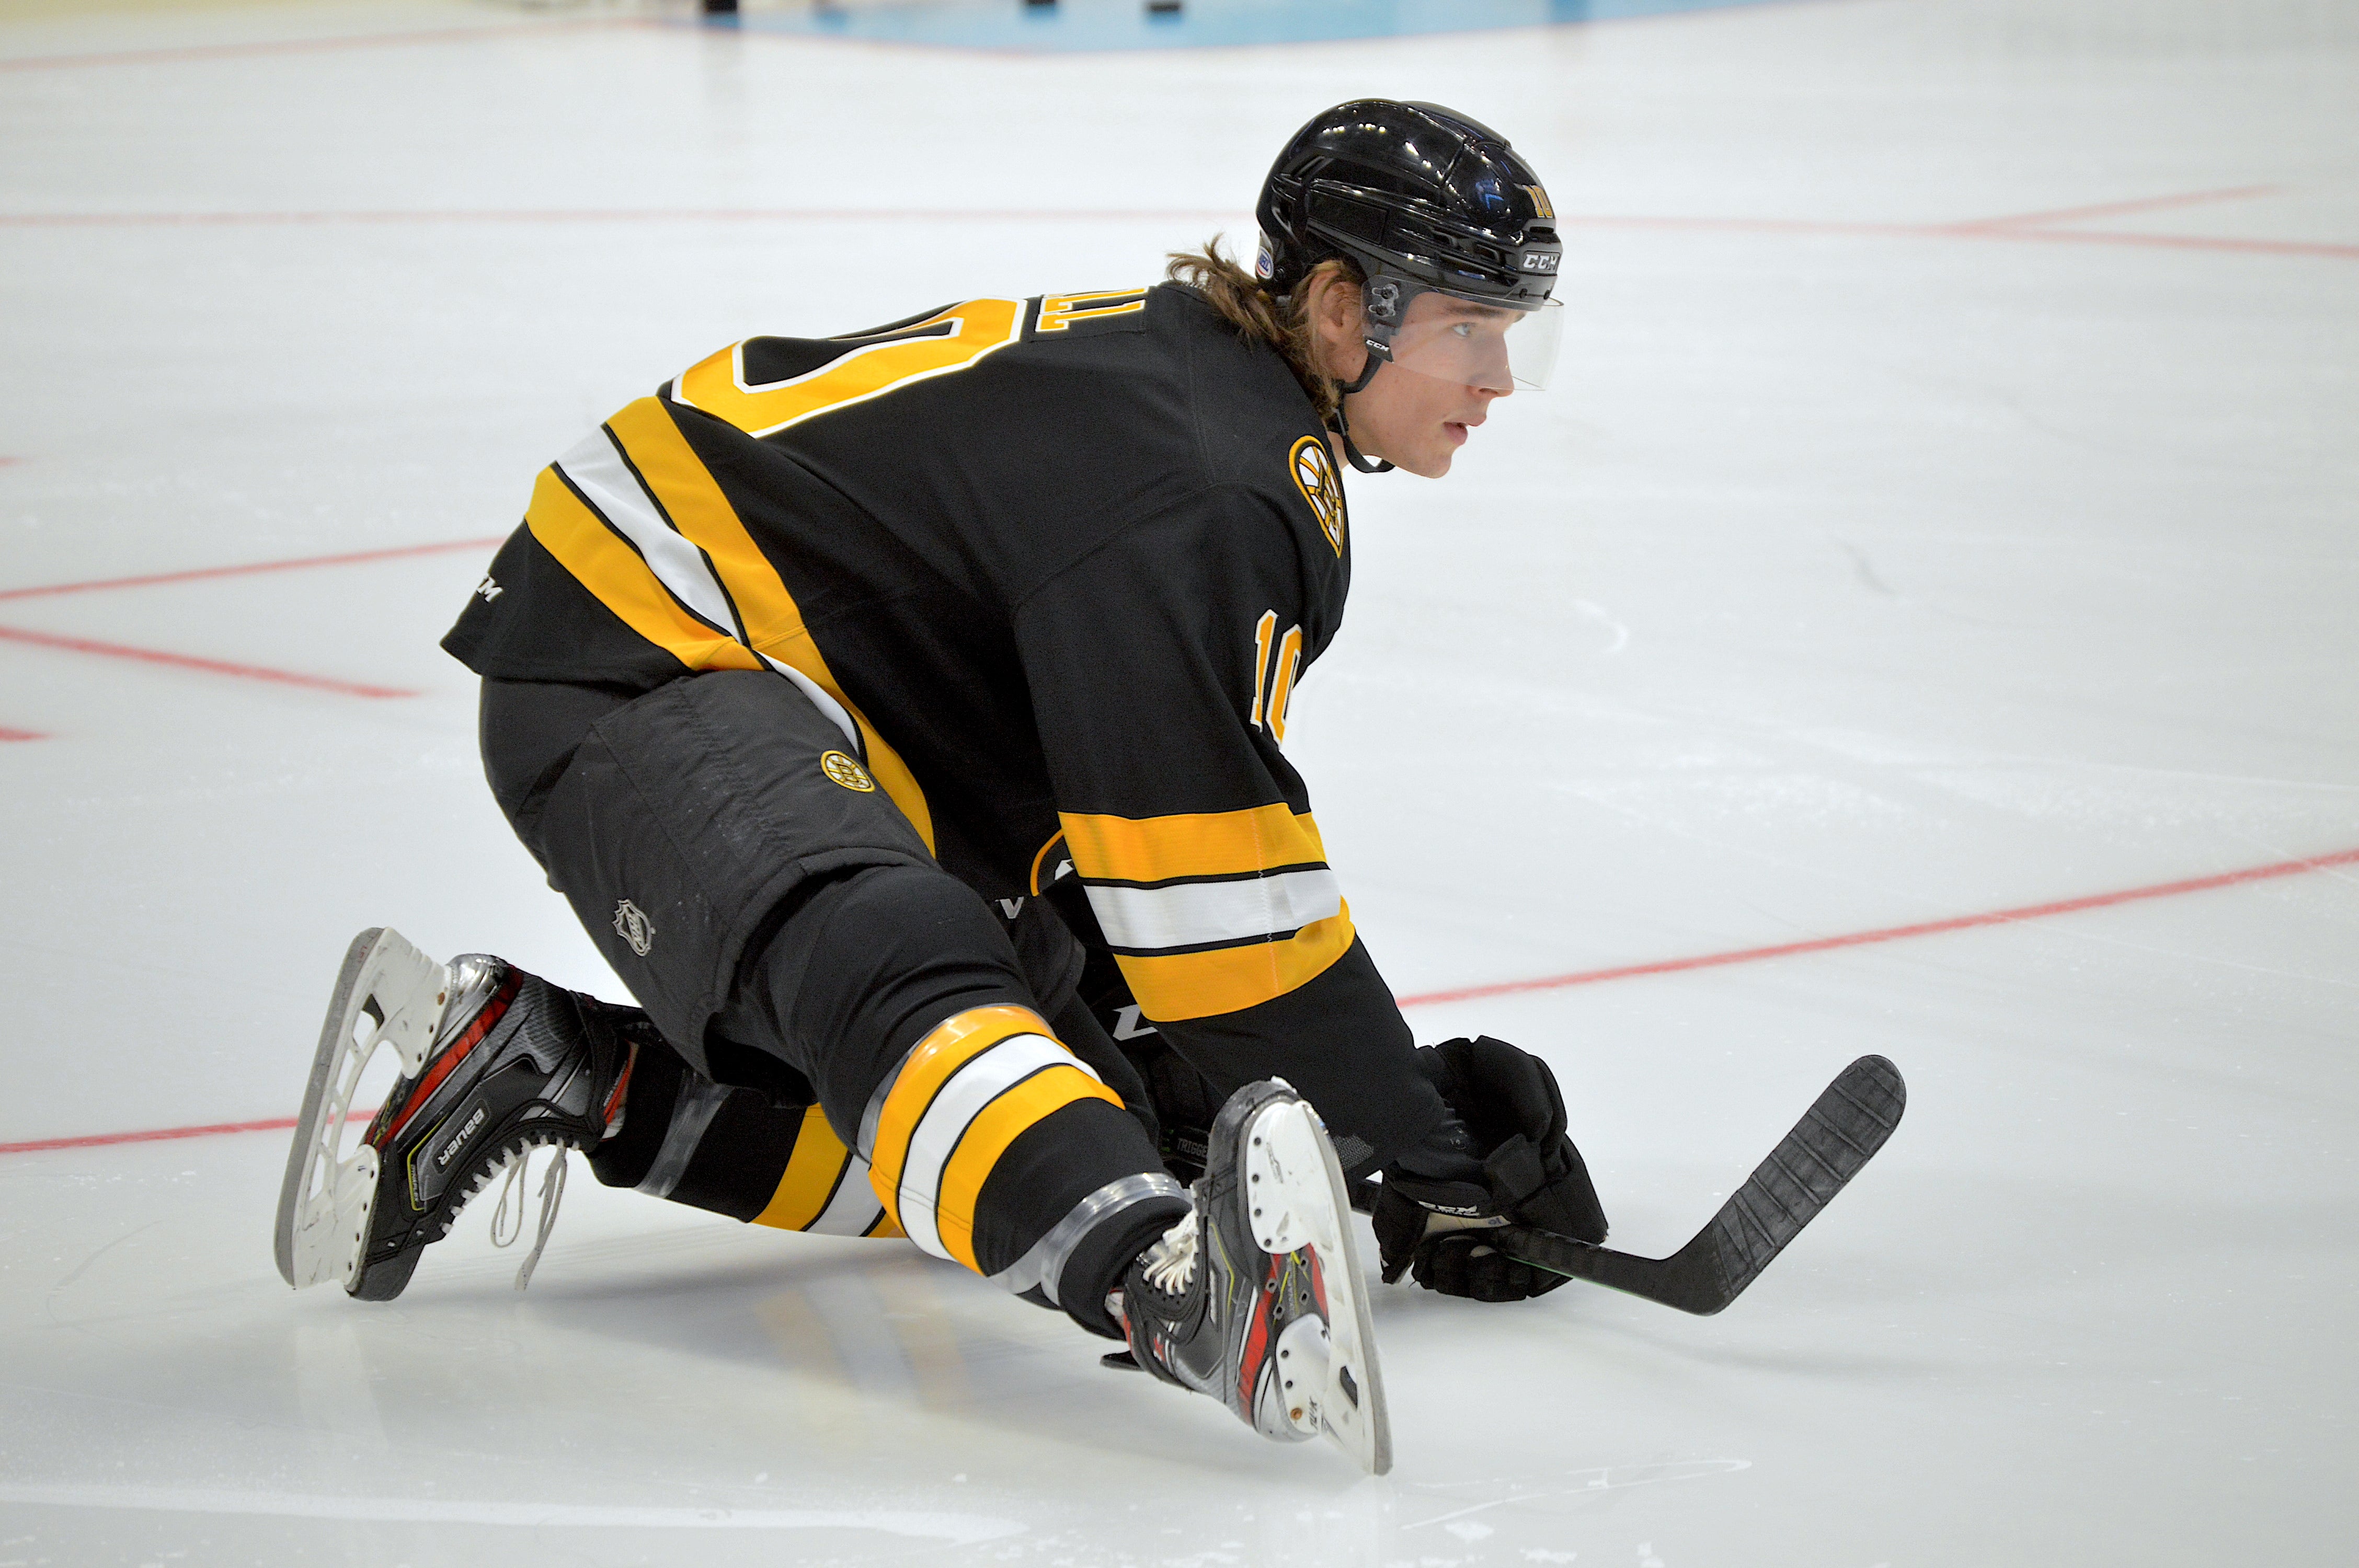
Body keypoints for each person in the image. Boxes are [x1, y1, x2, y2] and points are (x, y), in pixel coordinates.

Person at [273, 99, 1610, 1475]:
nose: (1498, 376)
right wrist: (1433, 1141)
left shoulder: (1223, 414)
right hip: (641, 651)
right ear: (1343, 310)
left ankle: (565, 1071)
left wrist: (1371, 1119)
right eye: (1469, 327)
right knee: (909, 983)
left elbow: (1158, 882)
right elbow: (1217, 927)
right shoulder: (1223, 482)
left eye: (1515, 332)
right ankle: (1171, 1289)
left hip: (798, 699)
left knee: (1088, 1107)